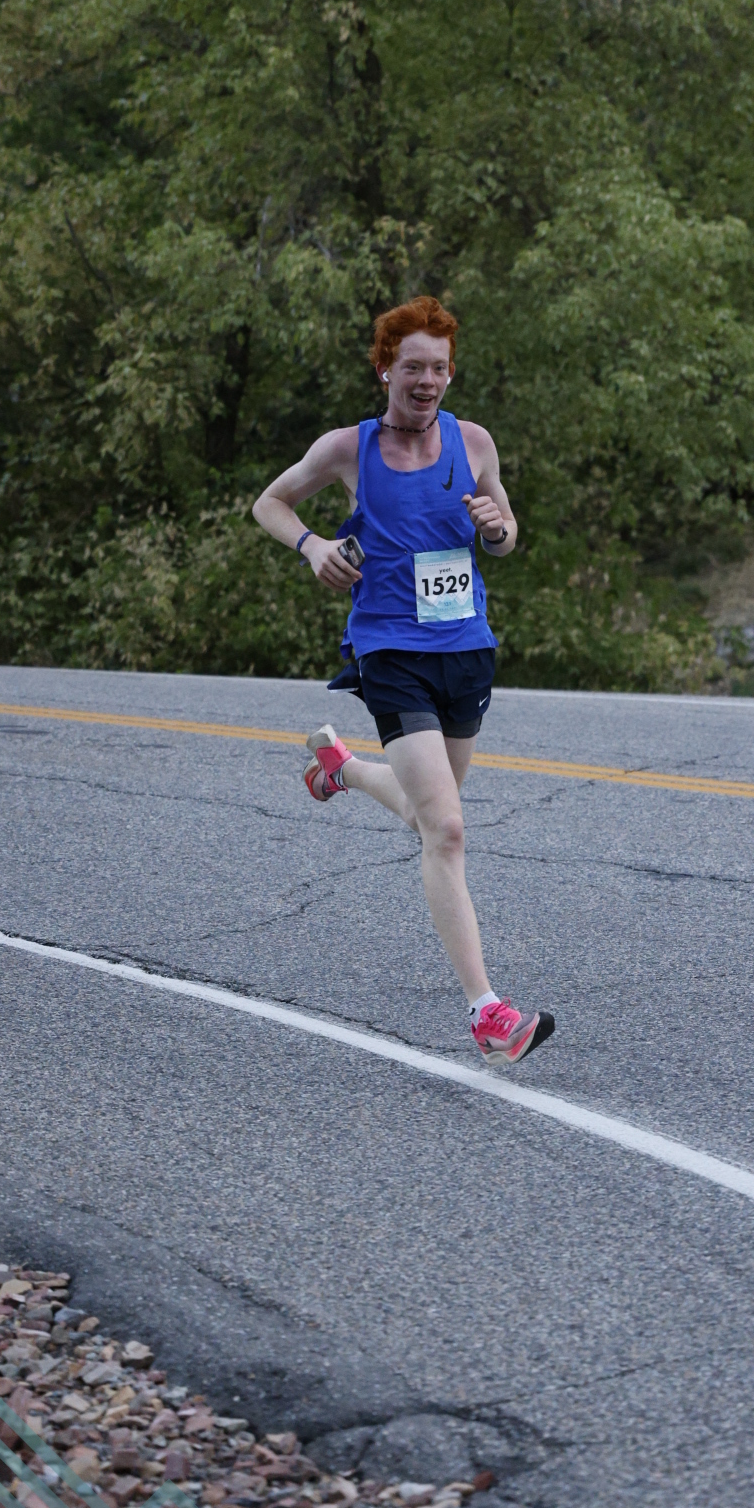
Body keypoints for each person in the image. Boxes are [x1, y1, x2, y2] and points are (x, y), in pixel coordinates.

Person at [252, 297, 553, 1066]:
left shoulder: (473, 441)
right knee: (446, 829)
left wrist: (498, 530)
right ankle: (488, 1014)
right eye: (413, 366)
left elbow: (506, 534)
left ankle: (343, 769)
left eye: (439, 368)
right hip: (389, 649)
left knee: (427, 814)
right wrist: (313, 546)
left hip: (466, 649)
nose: (427, 380)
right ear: (385, 368)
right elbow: (269, 502)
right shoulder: (348, 449)